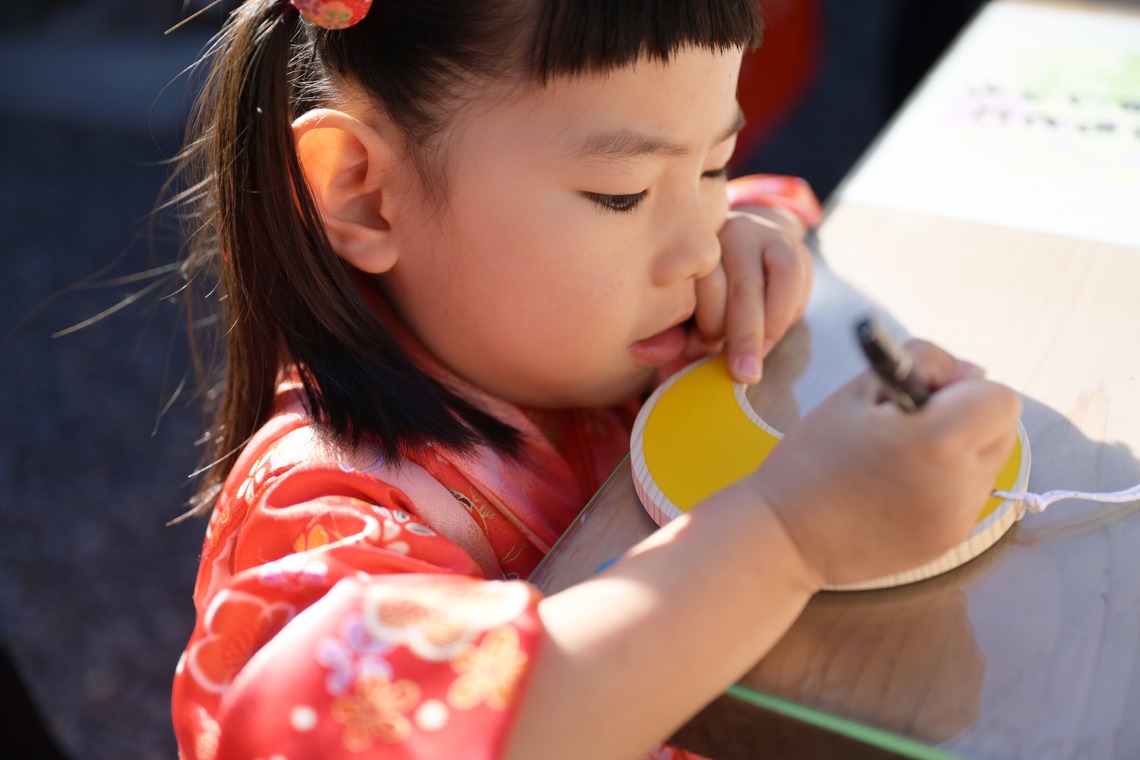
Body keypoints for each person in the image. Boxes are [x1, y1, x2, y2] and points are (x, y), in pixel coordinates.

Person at [167, 1, 1022, 758]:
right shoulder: (325, 510)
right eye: (622, 195)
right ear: (363, 194)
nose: (695, 249)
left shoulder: (606, 318)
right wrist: (790, 535)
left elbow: (750, 209)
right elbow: (367, 727)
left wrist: (762, 233)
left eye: (714, 166)